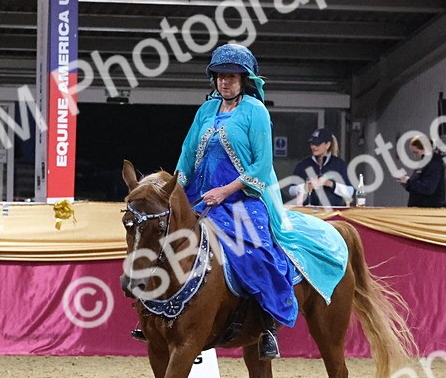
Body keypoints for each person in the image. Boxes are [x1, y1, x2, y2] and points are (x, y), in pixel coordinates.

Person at [131, 43, 348, 359]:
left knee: (258, 253)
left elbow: (261, 165)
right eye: (219, 76)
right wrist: (172, 190)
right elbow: (187, 157)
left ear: (243, 79)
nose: (224, 82)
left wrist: (226, 191)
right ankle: (158, 319)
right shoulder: (205, 111)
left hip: (244, 200)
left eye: (231, 76)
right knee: (164, 243)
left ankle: (266, 326)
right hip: (202, 197)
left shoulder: (255, 112)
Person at [288, 128, 353, 207]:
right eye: (312, 144)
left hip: (334, 211)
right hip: (308, 212)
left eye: (318, 144)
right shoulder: (303, 164)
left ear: (327, 145)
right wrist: (305, 187)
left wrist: (330, 184)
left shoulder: (339, 165)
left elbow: (350, 191)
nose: (314, 147)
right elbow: (291, 190)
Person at [396, 134, 444, 208]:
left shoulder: (434, 164)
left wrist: (409, 181)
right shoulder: (423, 163)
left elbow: (428, 189)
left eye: (416, 152)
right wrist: (407, 184)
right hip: (418, 208)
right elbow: (419, 189)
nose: (415, 156)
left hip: (427, 210)